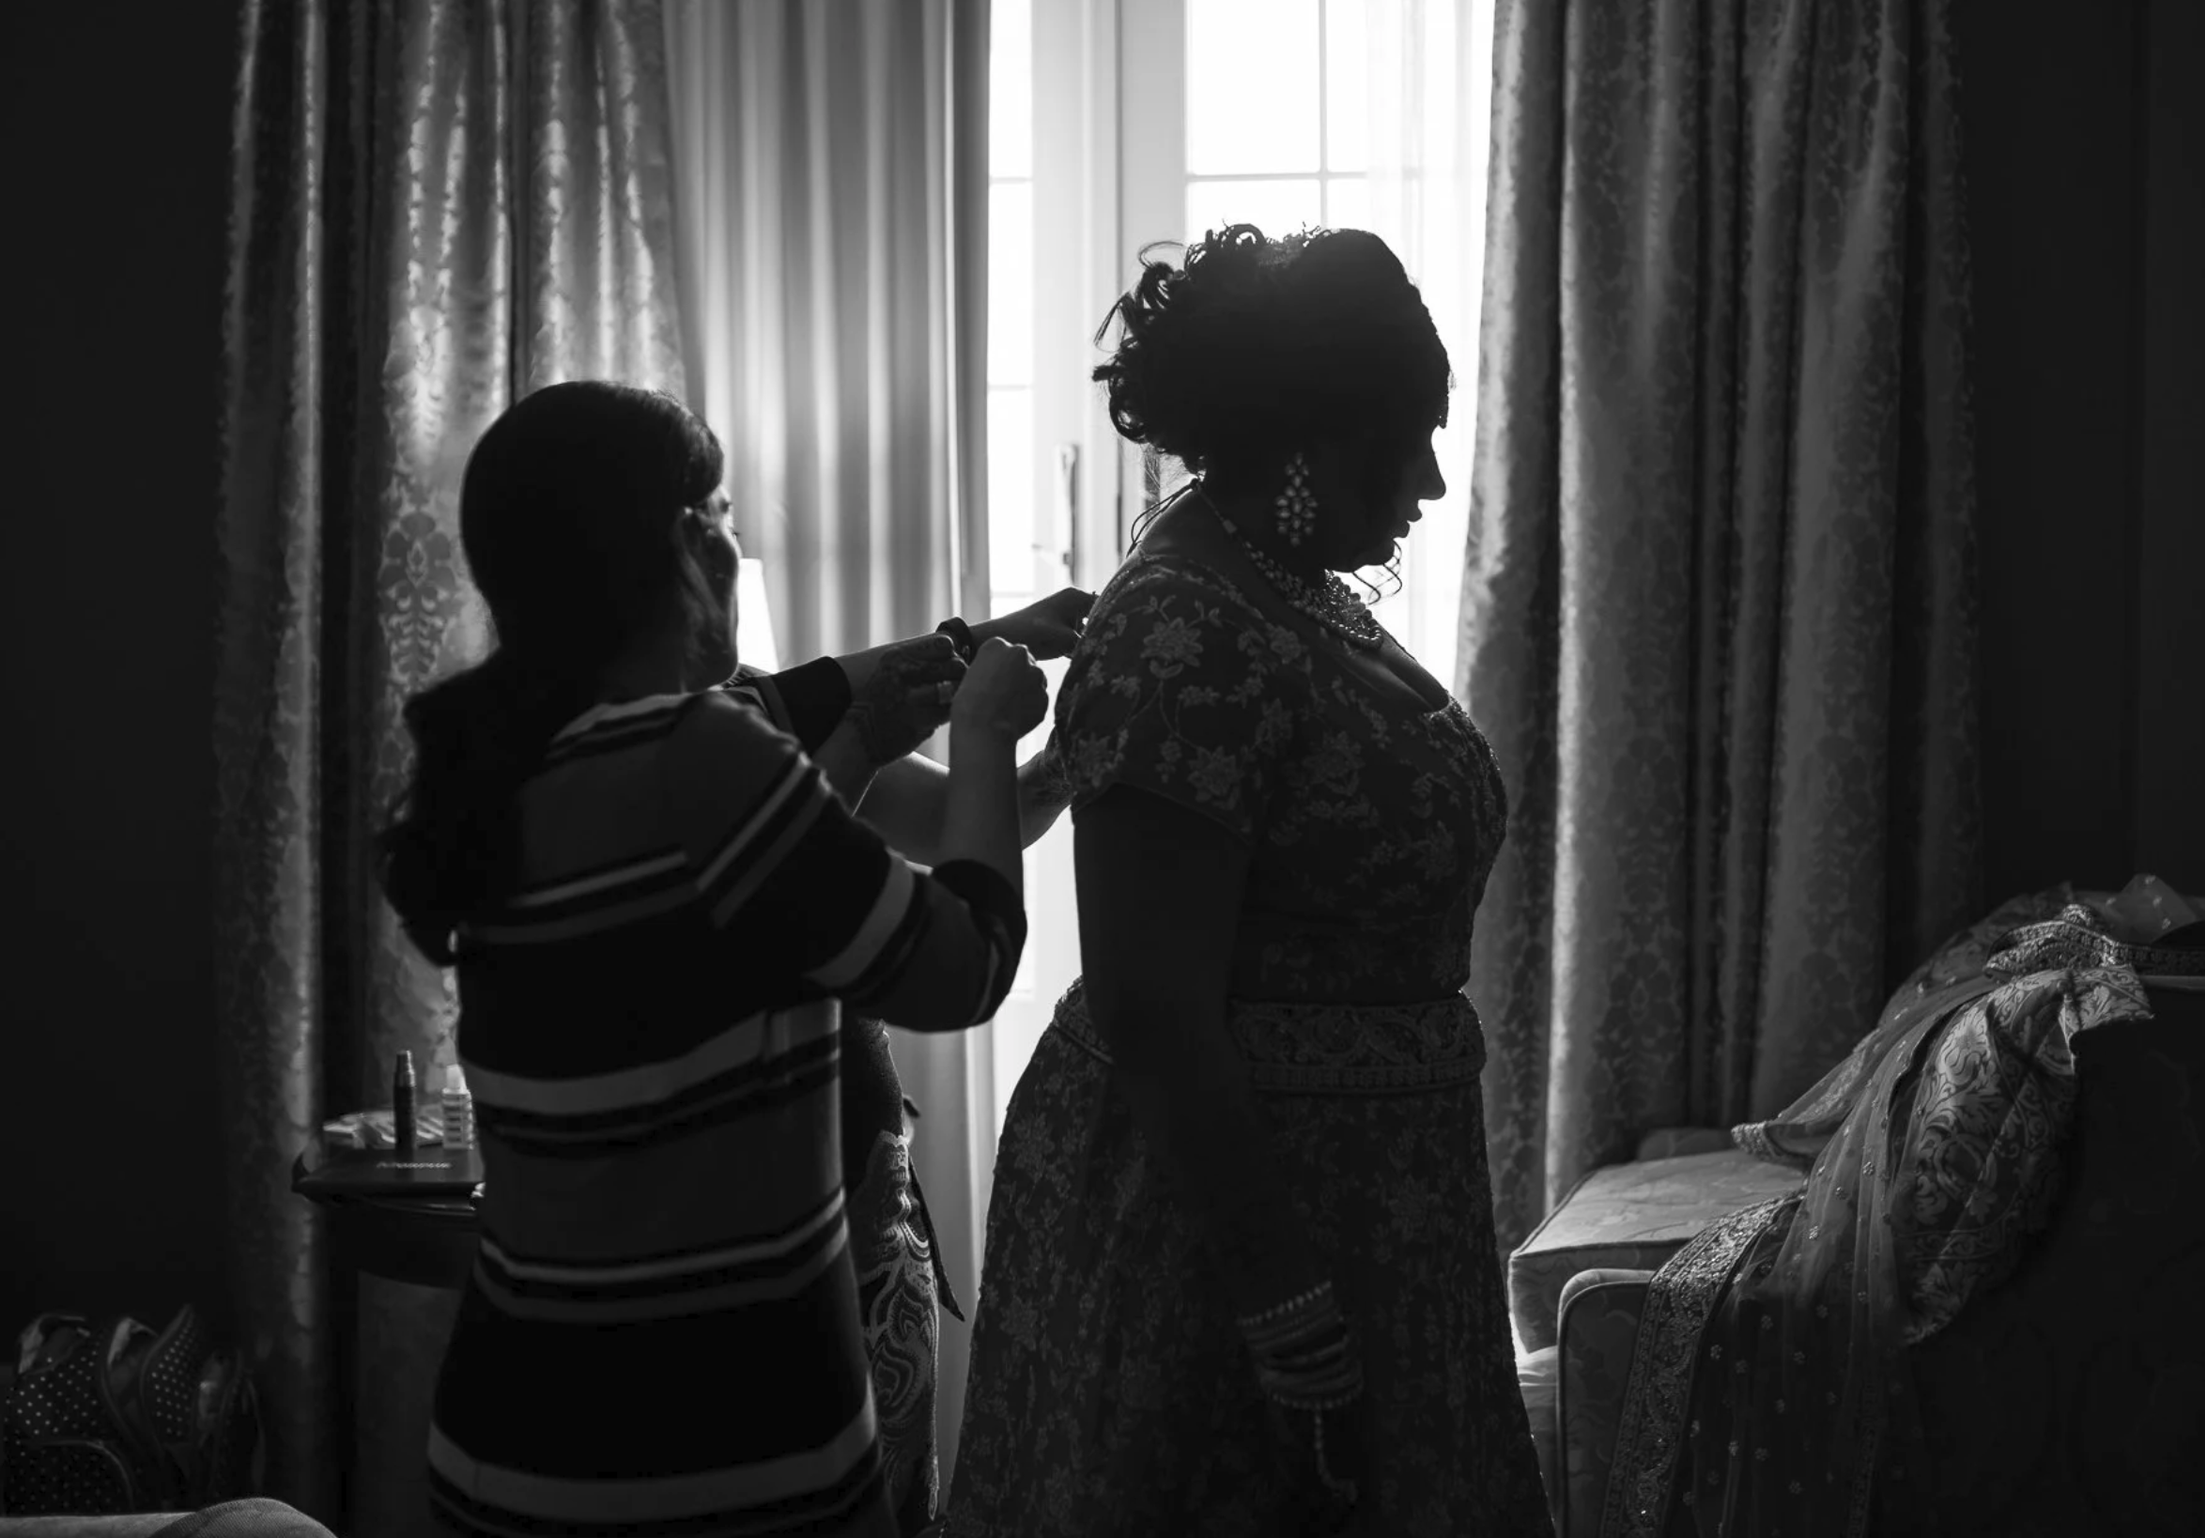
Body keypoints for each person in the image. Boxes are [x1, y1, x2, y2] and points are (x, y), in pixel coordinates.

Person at [947, 226, 1554, 1536]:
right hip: (1229, 1219)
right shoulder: (1187, 618)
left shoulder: (1279, 581)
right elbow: (1153, 1005)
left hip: (1378, 1193)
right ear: (1310, 446)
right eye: (1409, 442)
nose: (1433, 484)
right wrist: (1285, 1301)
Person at [376, 380, 1049, 1538]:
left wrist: (969, 652)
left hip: (507, 1448)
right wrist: (985, 727)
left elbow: (806, 708)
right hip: (721, 1450)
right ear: (688, 545)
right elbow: (967, 967)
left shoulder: (508, 772)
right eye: (721, 508)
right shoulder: (703, 761)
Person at [718, 588, 1091, 1533]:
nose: (720, 549)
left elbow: (966, 820)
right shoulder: (679, 762)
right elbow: (782, 885)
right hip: (763, 1256)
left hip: (868, 1231)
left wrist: (1068, 759)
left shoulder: (740, 711)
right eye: (702, 518)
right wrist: (962, 728)